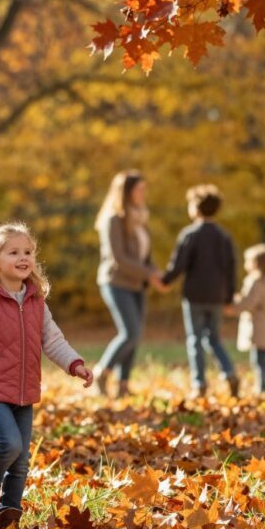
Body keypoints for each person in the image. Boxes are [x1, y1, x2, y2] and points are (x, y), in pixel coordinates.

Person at [0, 222, 93, 529]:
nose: (24, 257)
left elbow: (53, 340)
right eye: (14, 252)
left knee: (21, 459)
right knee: (9, 444)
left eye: (28, 252)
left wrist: (74, 364)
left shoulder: (36, 302)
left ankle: (10, 514)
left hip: (24, 391)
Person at [160, 184, 241, 399]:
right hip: (216, 296)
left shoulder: (190, 234)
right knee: (214, 338)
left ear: (195, 208)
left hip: (194, 296)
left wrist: (165, 281)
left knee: (195, 339)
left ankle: (200, 383)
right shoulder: (224, 237)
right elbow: (231, 268)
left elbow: (178, 265)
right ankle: (229, 372)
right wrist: (230, 296)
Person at [91, 170, 164, 398]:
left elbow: (144, 255)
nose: (144, 193)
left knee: (135, 334)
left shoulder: (141, 218)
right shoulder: (113, 219)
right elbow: (118, 258)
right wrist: (149, 274)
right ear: (127, 192)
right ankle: (102, 372)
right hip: (116, 281)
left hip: (137, 285)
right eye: (139, 188)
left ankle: (123, 385)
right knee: (129, 332)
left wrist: (156, 273)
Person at [233, 244, 265, 398]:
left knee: (259, 359)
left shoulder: (257, 282)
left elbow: (249, 303)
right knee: (260, 358)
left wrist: (234, 305)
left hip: (260, 326)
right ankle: (261, 388)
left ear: (256, 263)